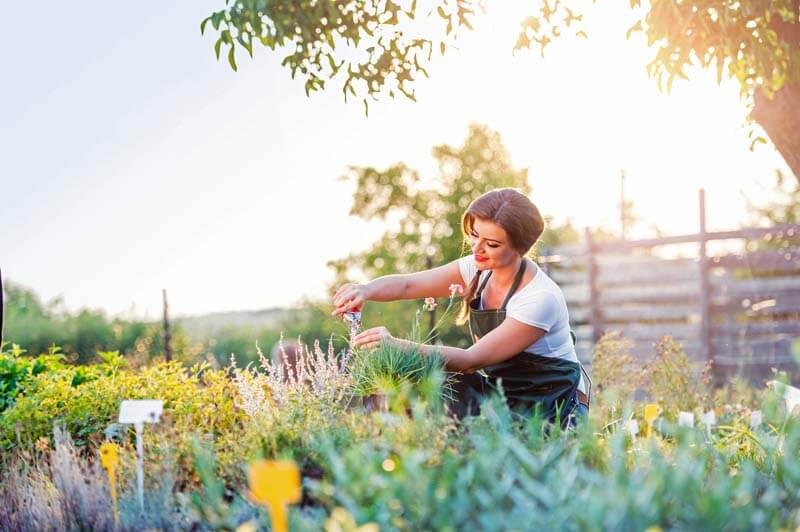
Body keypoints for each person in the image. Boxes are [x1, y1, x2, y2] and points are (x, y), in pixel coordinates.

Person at [332, 188, 590, 426]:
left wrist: (398, 346)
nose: (477, 248)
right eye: (475, 235)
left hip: (546, 407)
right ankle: (395, 455)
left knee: (434, 384)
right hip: (500, 391)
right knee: (411, 381)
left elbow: (470, 360)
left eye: (492, 244)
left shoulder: (539, 298)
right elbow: (408, 286)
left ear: (520, 249)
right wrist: (365, 290)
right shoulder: (478, 269)